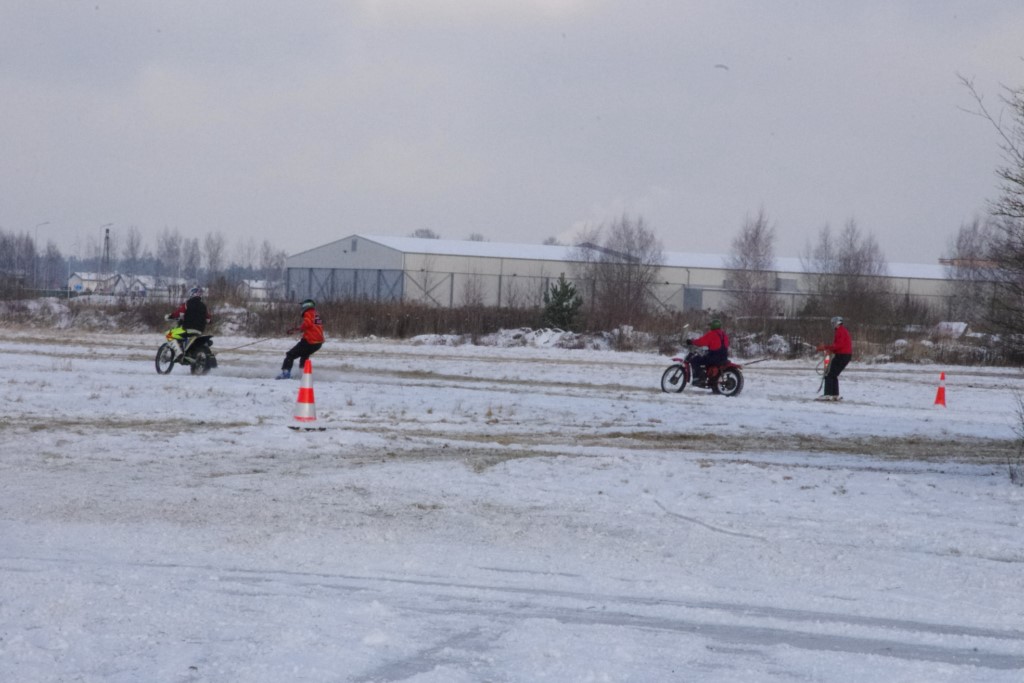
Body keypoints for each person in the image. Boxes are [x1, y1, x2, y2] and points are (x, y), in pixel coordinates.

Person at [276, 299, 324, 379]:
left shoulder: (308, 313)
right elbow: (315, 327)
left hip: (309, 341)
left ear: (306, 306)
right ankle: (304, 374)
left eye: (302, 305)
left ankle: (285, 374)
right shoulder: (316, 314)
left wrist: (296, 330)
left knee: (290, 355)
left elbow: (307, 324)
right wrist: (300, 330)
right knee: (304, 355)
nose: (301, 307)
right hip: (318, 343)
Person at [165, 287, 211, 361]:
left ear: (192, 294)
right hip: (199, 330)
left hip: (188, 328)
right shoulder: (204, 306)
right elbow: (208, 320)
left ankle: (179, 353)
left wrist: (169, 316)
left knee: (168, 334)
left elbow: (179, 313)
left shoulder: (187, 304)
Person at [816, 316, 852, 401]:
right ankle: (835, 395)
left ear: (837, 323)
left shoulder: (840, 331)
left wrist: (827, 348)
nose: (832, 325)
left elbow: (839, 345)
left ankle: (828, 394)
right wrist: (830, 349)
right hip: (844, 355)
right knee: (833, 375)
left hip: (842, 356)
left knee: (829, 374)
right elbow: (839, 346)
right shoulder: (842, 330)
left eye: (833, 323)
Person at [686, 318, 729, 385]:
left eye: (711, 325)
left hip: (714, 357)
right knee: (705, 358)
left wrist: (692, 342)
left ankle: (698, 378)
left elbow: (701, 342)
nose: (710, 327)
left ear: (714, 326)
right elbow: (724, 345)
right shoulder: (724, 335)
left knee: (695, 360)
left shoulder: (712, 334)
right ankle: (707, 376)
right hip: (723, 357)